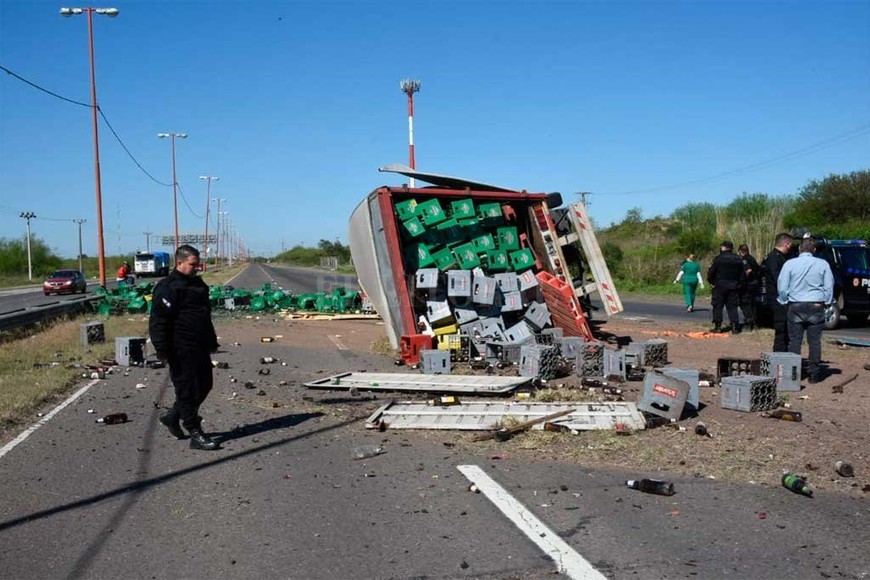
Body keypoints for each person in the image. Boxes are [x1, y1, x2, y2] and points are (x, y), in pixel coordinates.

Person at [149, 245, 221, 450]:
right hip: (178, 347)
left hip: (200, 344)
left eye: (198, 264)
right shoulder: (167, 288)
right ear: (179, 263)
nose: (196, 268)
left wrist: (212, 340)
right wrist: (162, 349)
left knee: (205, 384)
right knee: (186, 390)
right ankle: (195, 433)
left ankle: (173, 416)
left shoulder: (199, 285)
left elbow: (204, 316)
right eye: (193, 264)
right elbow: (158, 321)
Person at [777, 237, 834, 384]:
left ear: (799, 249)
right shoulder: (823, 264)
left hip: (795, 305)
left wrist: (784, 300)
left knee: (794, 341)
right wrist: (827, 302)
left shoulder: (790, 264)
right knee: (814, 342)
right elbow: (829, 285)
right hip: (816, 305)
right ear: (814, 250)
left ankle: (793, 375)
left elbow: (782, 285)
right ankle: (814, 374)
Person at [761, 233, 794, 351]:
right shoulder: (774, 258)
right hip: (777, 297)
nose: (791, 247)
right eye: (790, 244)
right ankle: (779, 353)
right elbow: (778, 278)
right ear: (786, 244)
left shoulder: (780, 257)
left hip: (781, 297)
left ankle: (784, 350)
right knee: (781, 327)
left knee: (786, 328)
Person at [706, 240, 744, 333]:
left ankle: (718, 327)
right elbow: (742, 275)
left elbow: (711, 272)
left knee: (718, 306)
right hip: (733, 286)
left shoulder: (718, 258)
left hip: (720, 286)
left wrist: (711, 282)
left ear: (723, 247)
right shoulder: (738, 259)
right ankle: (735, 327)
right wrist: (738, 284)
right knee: (732, 307)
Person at [737, 244, 761, 330]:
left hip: (747, 285)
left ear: (740, 251)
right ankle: (754, 323)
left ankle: (749, 322)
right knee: (753, 304)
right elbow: (758, 269)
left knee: (745, 303)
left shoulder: (745, 259)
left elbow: (748, 270)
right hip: (755, 284)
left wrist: (742, 279)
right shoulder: (752, 258)